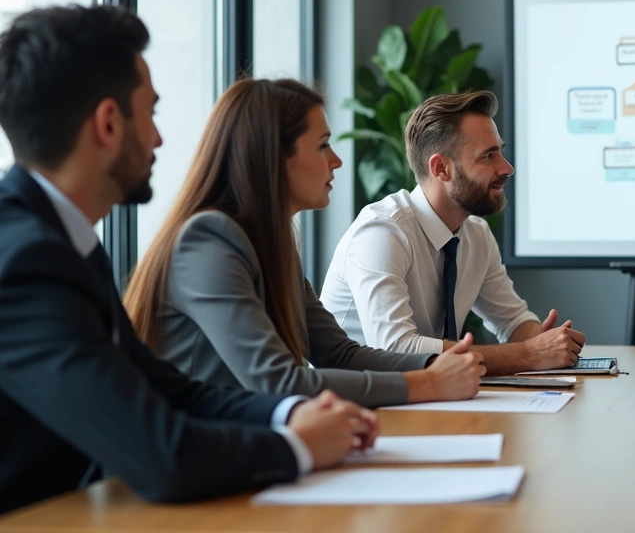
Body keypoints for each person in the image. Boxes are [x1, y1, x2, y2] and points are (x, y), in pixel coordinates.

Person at [0, 4, 378, 514]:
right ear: (108, 124)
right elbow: (161, 454)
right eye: (151, 113)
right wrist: (298, 447)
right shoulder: (27, 262)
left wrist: (289, 415)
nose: (158, 138)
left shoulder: (61, 242)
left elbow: (170, 390)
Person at [123, 79, 484, 408]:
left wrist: (436, 364)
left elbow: (340, 355)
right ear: (273, 157)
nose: (336, 160)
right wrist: (426, 383)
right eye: (323, 145)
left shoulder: (269, 245)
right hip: (196, 450)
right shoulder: (208, 242)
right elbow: (278, 381)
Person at [319, 90, 584, 376]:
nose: (507, 168)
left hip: (424, 394)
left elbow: (513, 320)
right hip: (353, 397)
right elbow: (395, 348)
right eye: (488, 156)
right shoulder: (382, 232)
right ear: (441, 168)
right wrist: (529, 354)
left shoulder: (476, 234)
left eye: (501, 152)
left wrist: (542, 341)